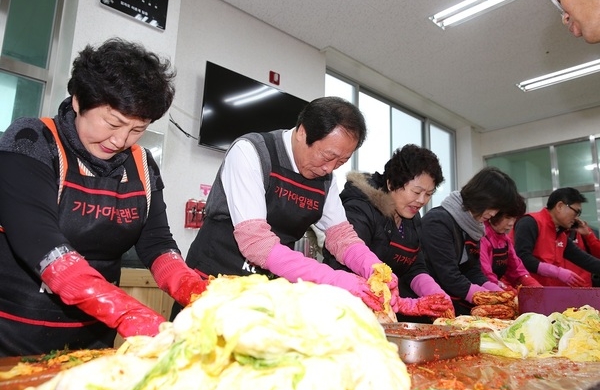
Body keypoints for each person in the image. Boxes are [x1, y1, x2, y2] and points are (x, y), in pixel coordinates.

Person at [0, 38, 208, 357]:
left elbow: (158, 246)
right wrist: (127, 312)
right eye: (113, 123)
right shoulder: (32, 142)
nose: (121, 140)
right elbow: (43, 246)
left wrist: (195, 290)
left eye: (137, 130)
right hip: (13, 335)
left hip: (94, 338)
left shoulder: (141, 166)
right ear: (79, 101)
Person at [178, 97, 448, 321]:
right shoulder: (251, 152)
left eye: (341, 160)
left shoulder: (326, 178)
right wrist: (339, 281)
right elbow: (257, 243)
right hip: (211, 283)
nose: (330, 168)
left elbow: (341, 237)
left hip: (262, 292)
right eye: (328, 156)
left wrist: (375, 268)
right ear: (302, 131)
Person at [321, 144, 454, 322]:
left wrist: (435, 294)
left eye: (429, 194)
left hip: (391, 311)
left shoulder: (412, 219)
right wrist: (407, 305)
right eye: (416, 192)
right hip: (351, 311)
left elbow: (415, 266)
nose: (421, 200)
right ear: (391, 183)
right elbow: (347, 267)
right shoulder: (360, 208)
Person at [419, 167, 523, 316]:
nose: (493, 214)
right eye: (493, 207)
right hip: (433, 305)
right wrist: (485, 297)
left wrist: (496, 292)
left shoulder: (474, 226)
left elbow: (473, 270)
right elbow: (449, 275)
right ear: (482, 197)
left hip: (458, 304)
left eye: (498, 210)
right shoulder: (438, 222)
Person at [513, 187, 600, 287]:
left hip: (546, 293)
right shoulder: (530, 222)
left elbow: (586, 260)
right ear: (560, 206)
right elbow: (521, 258)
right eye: (576, 212)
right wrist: (556, 272)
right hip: (525, 291)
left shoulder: (560, 234)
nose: (576, 217)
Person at [479, 195, 542, 291]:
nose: (511, 223)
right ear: (494, 214)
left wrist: (535, 286)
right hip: (479, 294)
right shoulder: (481, 237)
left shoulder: (505, 240)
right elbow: (485, 274)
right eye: (508, 218)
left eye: (514, 218)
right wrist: (507, 292)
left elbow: (517, 269)